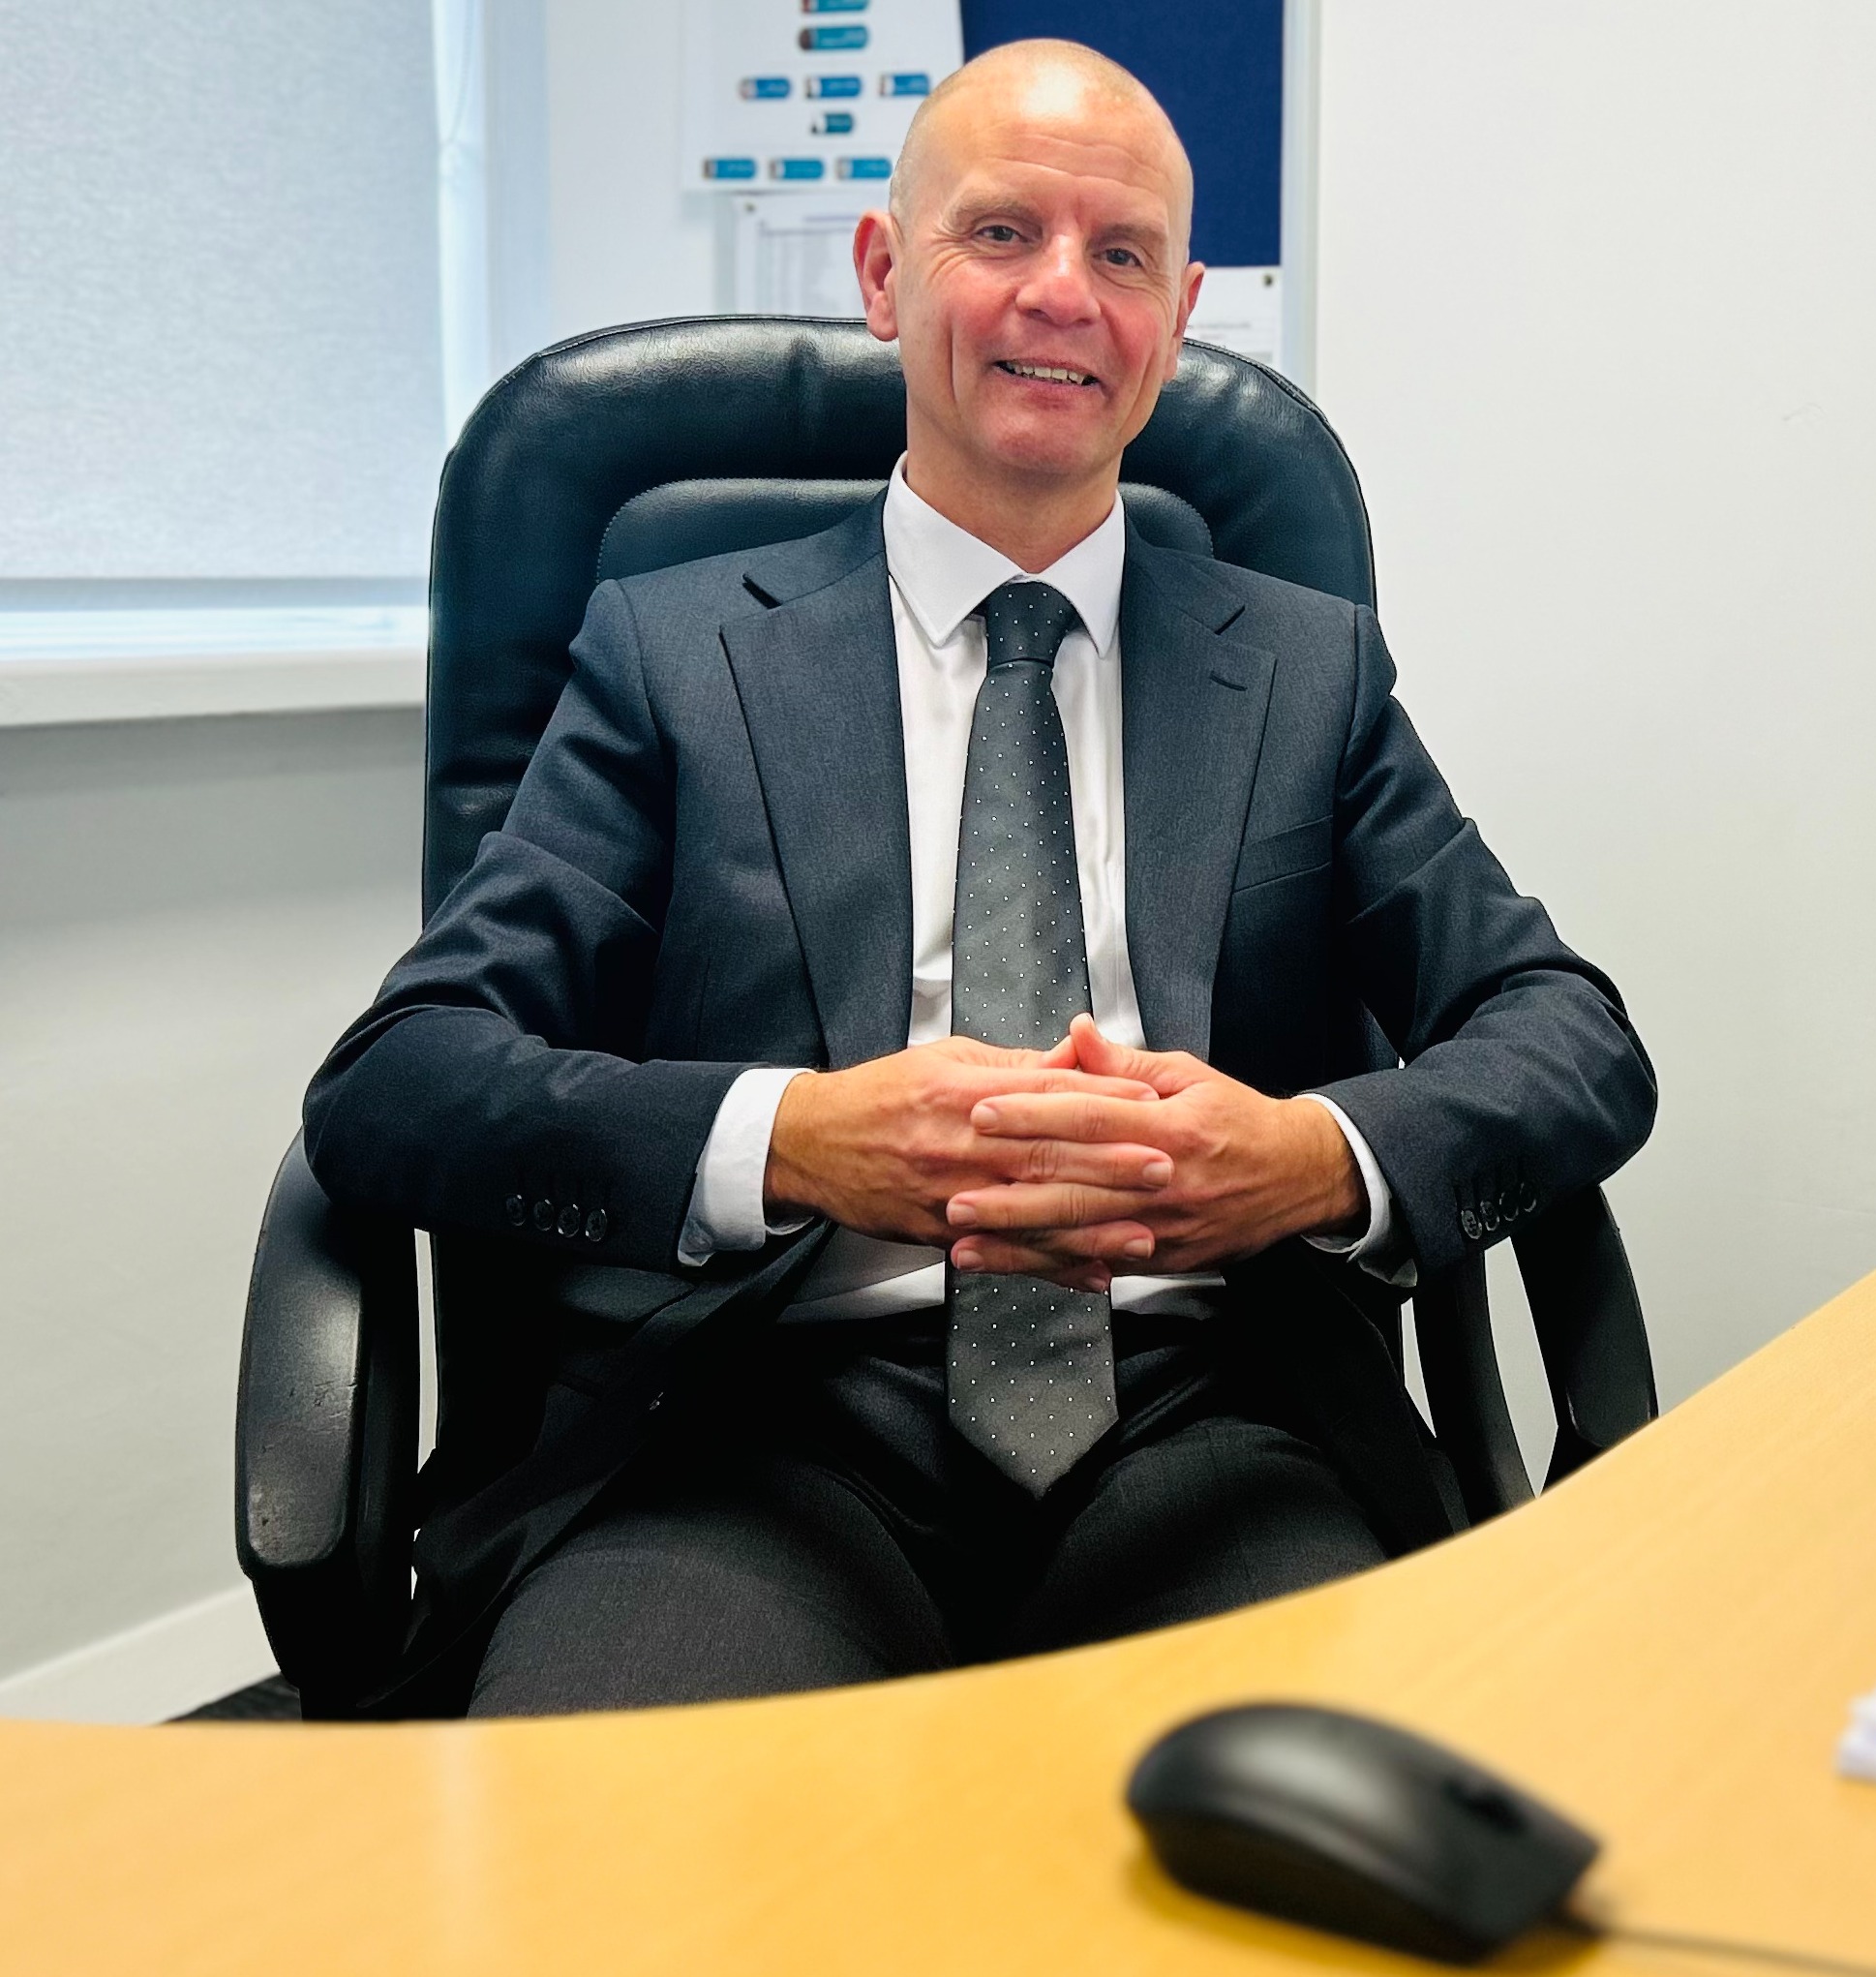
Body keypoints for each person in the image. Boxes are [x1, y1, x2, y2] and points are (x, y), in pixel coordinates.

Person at [305, 39, 1655, 1717]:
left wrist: (1308, 1157)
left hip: (1209, 1414)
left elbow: (1570, 1036)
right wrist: (795, 1140)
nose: (1063, 297)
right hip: (746, 1429)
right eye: (1001, 233)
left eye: (1121, 254)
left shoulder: (1303, 674)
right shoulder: (674, 652)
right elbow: (401, 1080)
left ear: (1178, 314)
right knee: (617, 1881)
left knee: (1333, 1866)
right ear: (885, 274)